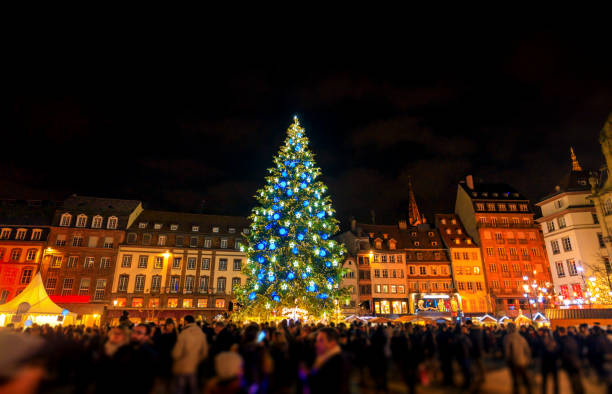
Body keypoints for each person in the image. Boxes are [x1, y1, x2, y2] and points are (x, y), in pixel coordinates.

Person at [303, 327, 349, 394]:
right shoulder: (326, 357)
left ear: (332, 342)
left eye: (321, 340)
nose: (316, 344)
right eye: (317, 340)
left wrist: (304, 375)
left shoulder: (335, 363)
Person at [172, 315, 209, 394]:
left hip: (182, 366)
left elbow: (177, 352)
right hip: (195, 366)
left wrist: (174, 357)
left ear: (186, 322)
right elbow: (205, 352)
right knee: (193, 388)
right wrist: (197, 360)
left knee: (180, 388)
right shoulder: (201, 333)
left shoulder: (184, 333)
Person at [503, 322, 532, 394]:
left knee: (515, 380)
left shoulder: (507, 338)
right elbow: (527, 349)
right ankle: (529, 391)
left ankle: (517, 391)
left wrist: (507, 360)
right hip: (522, 361)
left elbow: (507, 351)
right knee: (525, 378)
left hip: (513, 362)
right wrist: (527, 359)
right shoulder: (521, 337)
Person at [558, 327, 584, 394]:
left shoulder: (561, 341)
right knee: (578, 379)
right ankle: (581, 391)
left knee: (573, 380)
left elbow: (563, 354)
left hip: (570, 363)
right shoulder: (572, 339)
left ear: (560, 332)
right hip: (576, 361)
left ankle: (577, 391)